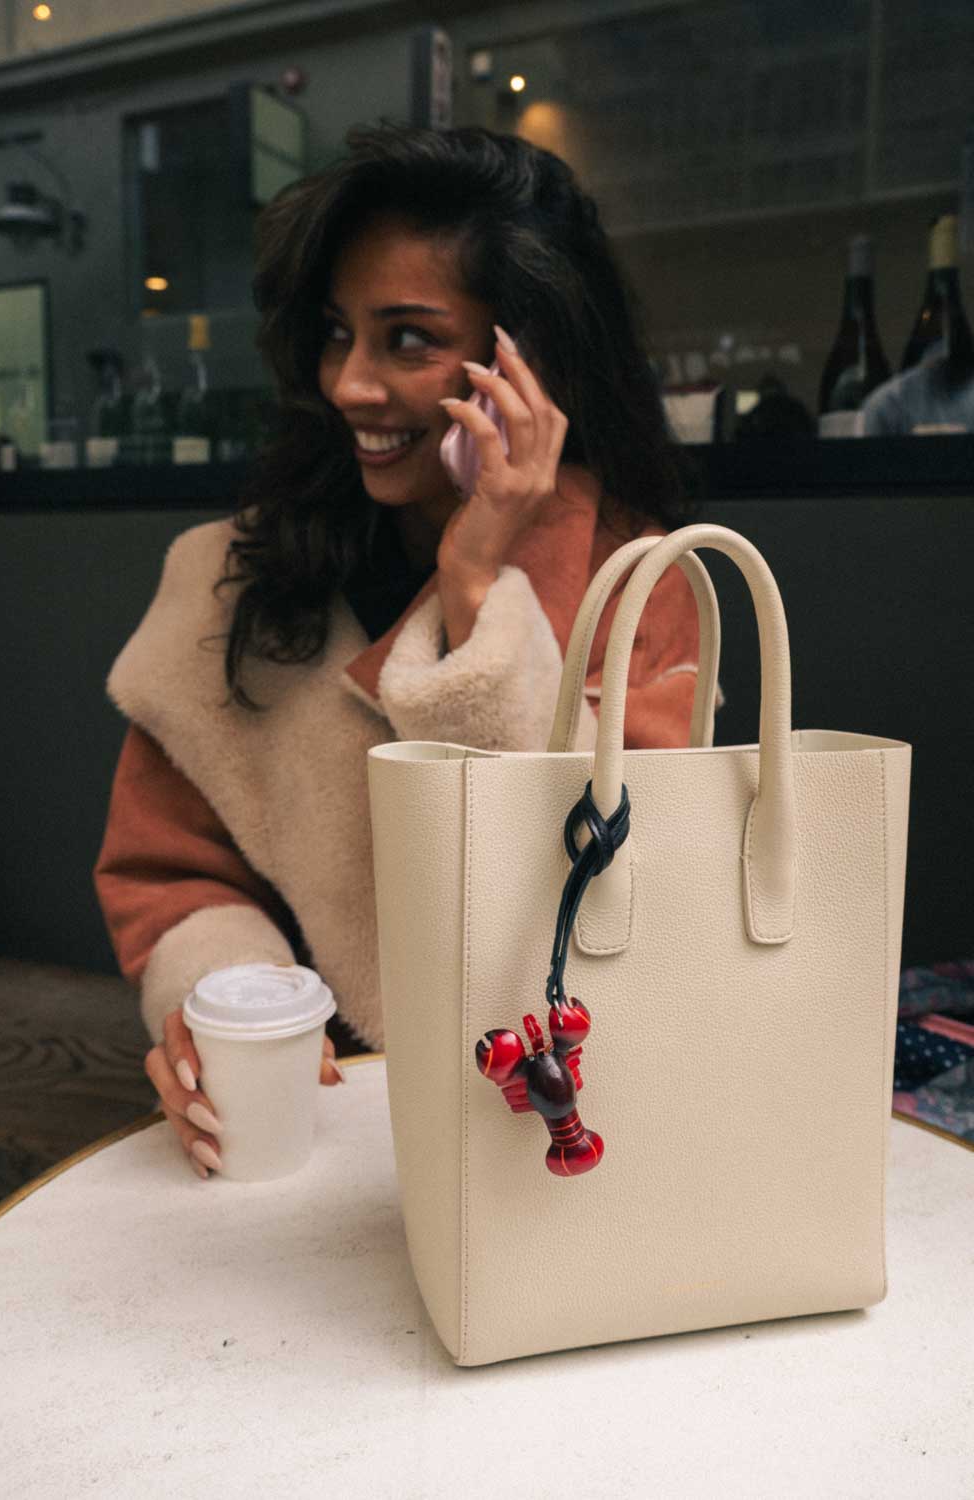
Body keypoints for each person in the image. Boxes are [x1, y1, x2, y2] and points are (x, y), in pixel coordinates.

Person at [94, 121, 720, 1181]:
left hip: (548, 1136)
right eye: (338, 333)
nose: (348, 383)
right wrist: (226, 1011)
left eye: (408, 339)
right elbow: (171, 875)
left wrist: (477, 584)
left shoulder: (637, 583)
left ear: (527, 359)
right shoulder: (230, 578)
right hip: (300, 1132)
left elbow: (618, 896)